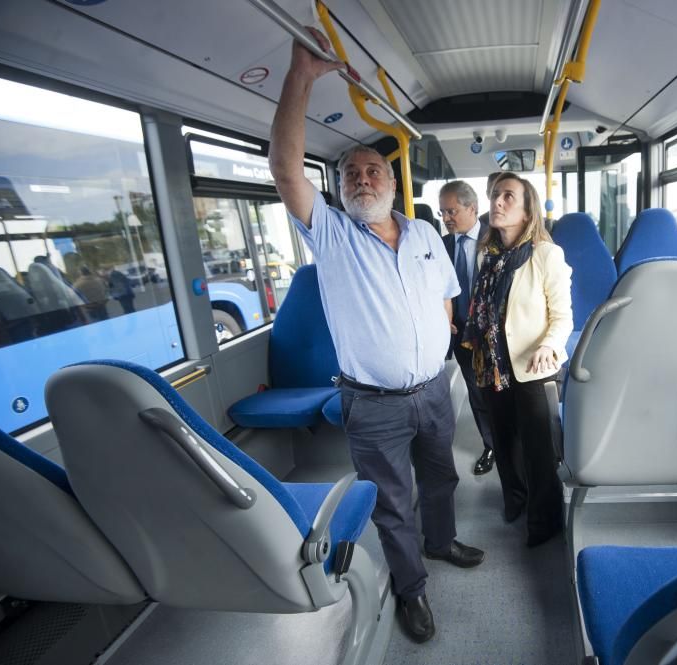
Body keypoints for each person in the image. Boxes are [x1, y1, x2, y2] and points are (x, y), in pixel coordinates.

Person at [268, 28, 484, 644]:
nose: (363, 178)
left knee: (441, 476)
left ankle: (440, 542)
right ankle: (411, 590)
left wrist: (435, 354)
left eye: (373, 170)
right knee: (391, 501)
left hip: (433, 391)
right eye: (351, 173)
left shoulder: (422, 235)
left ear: (392, 183)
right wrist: (302, 77)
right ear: (339, 189)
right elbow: (285, 170)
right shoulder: (332, 236)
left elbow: (445, 295)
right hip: (373, 403)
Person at [461, 172, 573, 548]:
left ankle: (544, 523)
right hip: (492, 366)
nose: (497, 202)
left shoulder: (545, 254)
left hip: (533, 366)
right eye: (494, 195)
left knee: (539, 449)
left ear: (527, 212)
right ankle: (515, 501)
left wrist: (549, 345)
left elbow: (563, 316)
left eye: (508, 197)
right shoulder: (487, 255)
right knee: (505, 443)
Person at [438, 180, 496, 476]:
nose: (446, 218)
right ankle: (490, 445)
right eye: (442, 213)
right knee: (475, 390)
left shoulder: (495, 239)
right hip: (460, 332)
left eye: (451, 211)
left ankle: (511, 442)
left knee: (499, 390)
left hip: (493, 332)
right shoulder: (442, 245)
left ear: (472, 208)